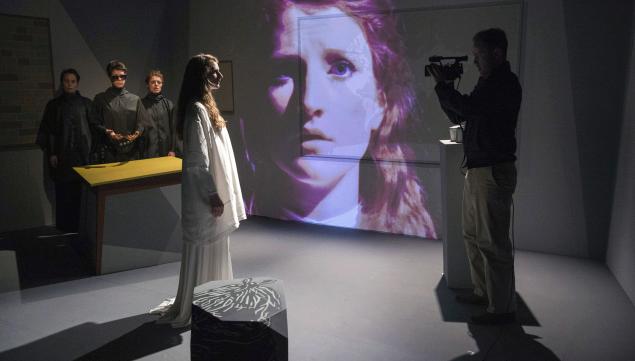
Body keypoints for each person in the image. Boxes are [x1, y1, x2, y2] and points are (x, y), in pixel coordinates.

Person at [241, 0, 437, 238]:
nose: (310, 101)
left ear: (380, 102)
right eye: (284, 72)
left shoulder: (408, 242)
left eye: (341, 69)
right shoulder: (233, 228)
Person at [430, 28, 522, 325]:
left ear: (497, 53)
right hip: (479, 168)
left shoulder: (504, 84)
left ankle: (502, 309)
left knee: (493, 242)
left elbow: (468, 108)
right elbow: (461, 115)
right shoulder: (489, 83)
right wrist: (443, 89)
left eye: (478, 53)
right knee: (472, 235)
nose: (474, 60)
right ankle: (485, 293)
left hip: (492, 170)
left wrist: (444, 86)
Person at [151, 54, 246, 328]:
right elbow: (196, 161)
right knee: (205, 247)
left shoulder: (205, 107)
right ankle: (202, 302)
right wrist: (212, 195)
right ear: (201, 76)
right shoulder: (196, 110)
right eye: (214, 72)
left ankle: (214, 297)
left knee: (215, 247)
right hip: (205, 198)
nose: (220, 76)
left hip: (210, 194)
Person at [36, 68, 97, 232]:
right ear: (62, 83)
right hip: (62, 155)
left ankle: (81, 225)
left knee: (82, 193)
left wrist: (94, 153)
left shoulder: (86, 103)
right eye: (66, 81)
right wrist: (52, 153)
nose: (69, 84)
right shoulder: (54, 105)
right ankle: (64, 226)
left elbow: (94, 129)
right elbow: (48, 131)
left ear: (77, 83)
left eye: (72, 81)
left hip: (83, 155)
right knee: (63, 192)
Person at [93, 60, 152, 162]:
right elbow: (94, 122)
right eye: (115, 77)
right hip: (110, 152)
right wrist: (108, 132)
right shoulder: (101, 99)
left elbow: (143, 122)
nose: (119, 79)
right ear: (110, 77)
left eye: (122, 76)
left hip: (132, 152)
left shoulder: (135, 99)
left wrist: (137, 133)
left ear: (126, 77)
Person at [142, 70, 176, 158]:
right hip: (148, 152)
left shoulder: (169, 104)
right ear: (148, 85)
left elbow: (174, 129)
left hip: (167, 152)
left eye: (159, 82)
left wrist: (173, 149)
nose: (156, 84)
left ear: (162, 84)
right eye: (153, 82)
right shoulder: (141, 104)